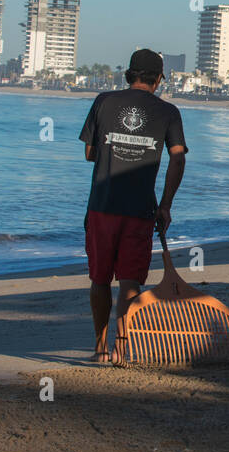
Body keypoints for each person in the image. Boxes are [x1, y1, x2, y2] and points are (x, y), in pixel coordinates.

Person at [79, 49, 187, 365]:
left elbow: (89, 152)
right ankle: (121, 348)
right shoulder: (168, 112)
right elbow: (178, 156)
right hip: (140, 208)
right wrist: (166, 205)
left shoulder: (103, 101)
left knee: (99, 279)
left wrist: (116, 149)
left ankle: (99, 348)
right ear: (158, 79)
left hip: (102, 205)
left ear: (129, 75)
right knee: (130, 280)